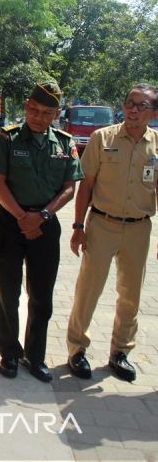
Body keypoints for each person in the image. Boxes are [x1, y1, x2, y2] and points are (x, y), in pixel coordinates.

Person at [0, 81, 82, 383]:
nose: (39, 117)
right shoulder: (8, 138)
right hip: (8, 223)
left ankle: (35, 356)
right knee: (7, 294)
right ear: (27, 106)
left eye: (47, 113)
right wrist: (23, 218)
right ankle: (9, 354)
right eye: (34, 110)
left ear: (56, 114)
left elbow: (69, 188)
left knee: (41, 297)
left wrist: (41, 216)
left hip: (45, 224)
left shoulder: (65, 144)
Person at [65, 83, 158, 382]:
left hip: (139, 228)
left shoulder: (156, 145)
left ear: (153, 113)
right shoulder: (102, 138)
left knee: (131, 294)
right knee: (88, 290)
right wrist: (78, 226)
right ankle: (77, 349)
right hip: (102, 225)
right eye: (130, 103)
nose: (133, 110)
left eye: (142, 105)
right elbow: (86, 187)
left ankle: (120, 352)